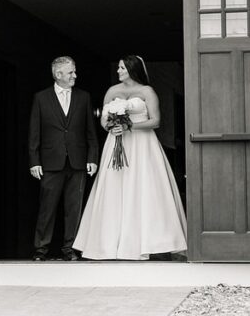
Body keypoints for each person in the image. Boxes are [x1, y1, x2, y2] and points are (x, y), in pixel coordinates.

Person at [73, 54, 187, 260]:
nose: (118, 71)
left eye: (122, 68)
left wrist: (129, 125)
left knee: (144, 188)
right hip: (116, 143)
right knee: (114, 187)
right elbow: (103, 120)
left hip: (142, 145)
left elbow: (156, 121)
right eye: (118, 68)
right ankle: (109, 243)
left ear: (132, 70)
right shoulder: (112, 91)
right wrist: (110, 126)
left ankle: (150, 241)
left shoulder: (146, 92)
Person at [28, 56, 99, 261]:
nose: (75, 76)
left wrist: (92, 158)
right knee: (47, 209)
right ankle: (41, 250)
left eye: (74, 71)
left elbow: (90, 132)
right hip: (50, 162)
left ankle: (70, 249)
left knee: (74, 209)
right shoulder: (41, 98)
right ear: (58, 74)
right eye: (70, 72)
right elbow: (34, 132)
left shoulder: (83, 97)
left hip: (77, 162)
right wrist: (34, 161)